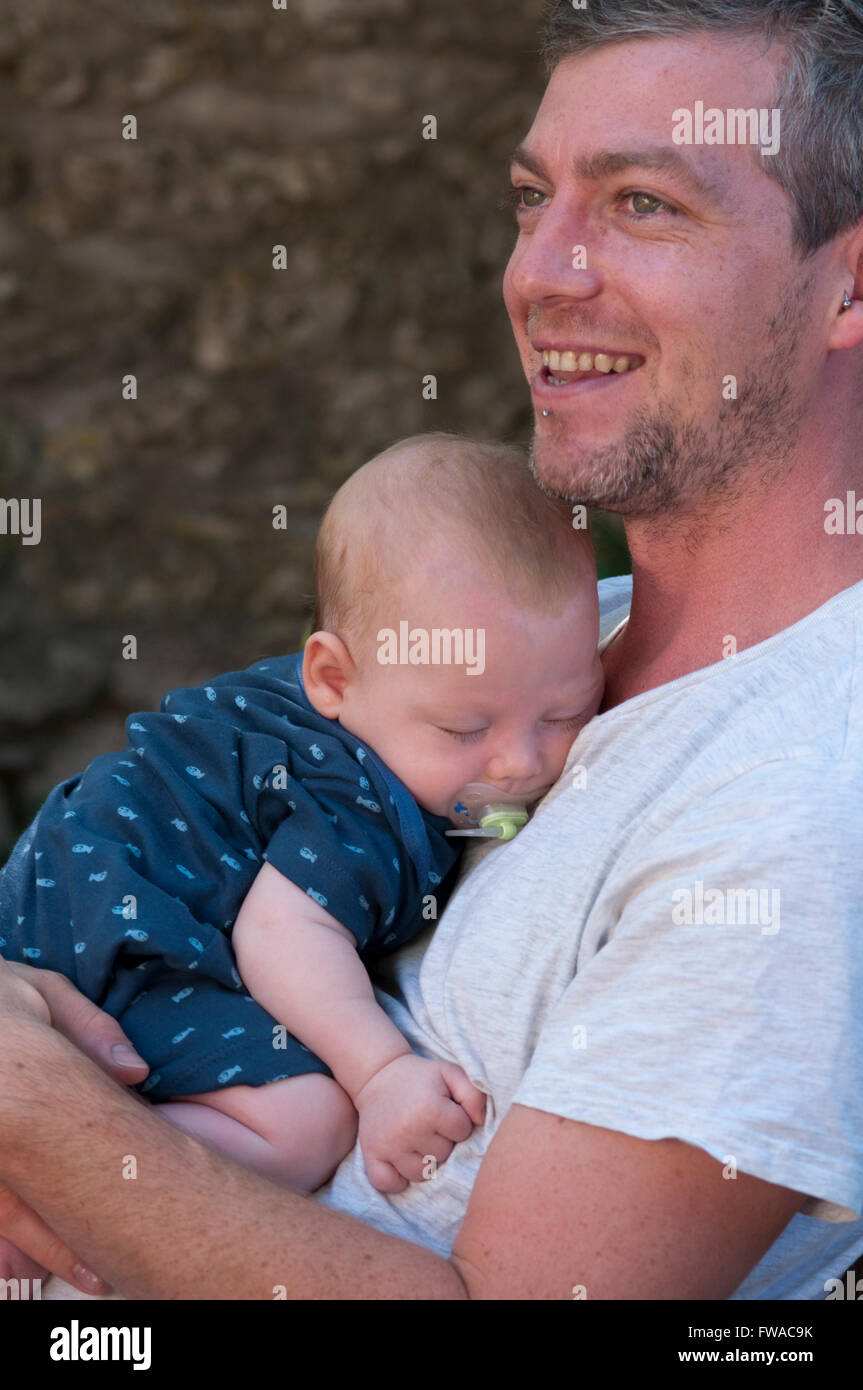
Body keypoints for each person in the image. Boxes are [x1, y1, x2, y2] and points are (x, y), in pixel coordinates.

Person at [1, 0, 862, 1301]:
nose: (538, 271)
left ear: (847, 282)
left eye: (639, 204)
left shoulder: (797, 803)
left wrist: (33, 1111)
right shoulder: (577, 631)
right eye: (531, 196)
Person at [0, 433, 603, 1226]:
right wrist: (381, 1072)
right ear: (332, 680)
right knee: (304, 1126)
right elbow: (283, 933)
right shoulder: (359, 798)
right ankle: (49, 1184)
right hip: (128, 931)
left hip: (71, 885)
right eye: (463, 730)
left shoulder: (368, 697)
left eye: (563, 713)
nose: (520, 763)